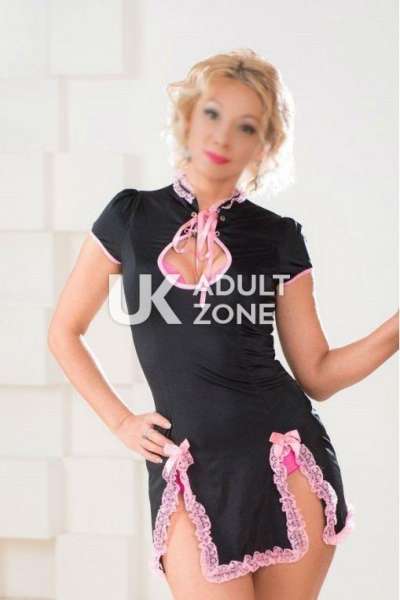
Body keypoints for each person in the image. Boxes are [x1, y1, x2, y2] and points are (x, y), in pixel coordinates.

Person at [48, 49, 399, 600]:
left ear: (265, 146)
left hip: (285, 456)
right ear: (188, 116)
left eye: (247, 126)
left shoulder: (277, 236)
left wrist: (395, 328)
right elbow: (64, 331)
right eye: (212, 113)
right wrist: (120, 421)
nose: (223, 136)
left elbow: (318, 374)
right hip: (189, 464)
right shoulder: (130, 217)